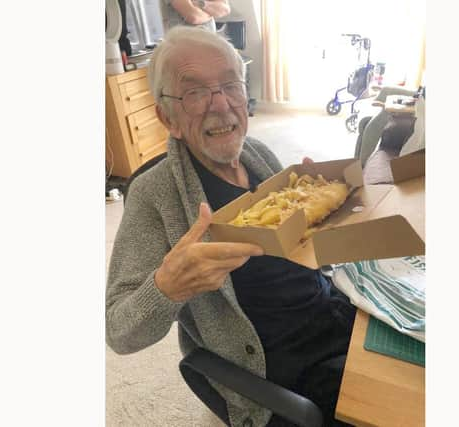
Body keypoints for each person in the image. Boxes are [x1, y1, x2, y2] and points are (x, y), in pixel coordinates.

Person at [106, 26, 355, 427]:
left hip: (333, 311)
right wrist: (168, 286)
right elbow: (119, 331)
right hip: (281, 363)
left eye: (230, 85)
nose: (220, 105)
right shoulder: (154, 194)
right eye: (195, 92)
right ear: (167, 117)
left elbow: (300, 246)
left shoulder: (258, 152)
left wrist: (320, 210)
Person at [160, 0, 230, 33]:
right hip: (182, 45)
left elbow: (224, 10)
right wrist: (211, 13)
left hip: (209, 42)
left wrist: (201, 3)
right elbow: (194, 16)